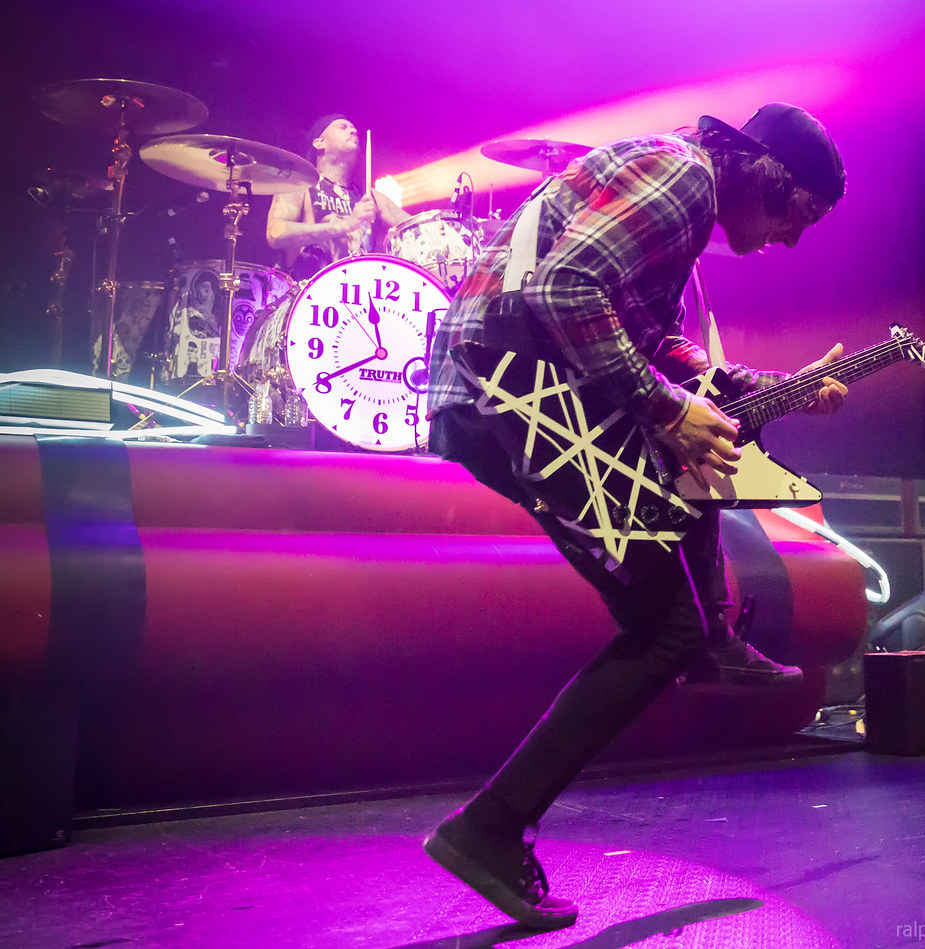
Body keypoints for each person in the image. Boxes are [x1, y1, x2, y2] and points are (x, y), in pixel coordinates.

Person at [423, 103, 850, 929]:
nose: (791, 241)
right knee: (664, 619)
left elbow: (655, 343)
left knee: (685, 501)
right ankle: (487, 828)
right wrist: (662, 411)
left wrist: (772, 387)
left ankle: (708, 638)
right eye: (798, 217)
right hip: (509, 389)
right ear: (767, 174)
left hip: (507, 385)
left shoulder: (677, 187)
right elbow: (564, 288)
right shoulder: (682, 178)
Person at [266, 114, 409, 280]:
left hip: (360, 295)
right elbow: (275, 234)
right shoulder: (299, 183)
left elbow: (420, 227)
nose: (353, 130)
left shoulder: (370, 197)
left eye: (354, 128)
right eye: (343, 127)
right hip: (307, 293)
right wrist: (342, 226)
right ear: (319, 142)